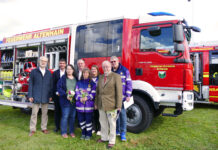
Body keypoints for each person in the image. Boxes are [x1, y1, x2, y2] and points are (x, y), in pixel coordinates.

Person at [95, 60, 122, 149]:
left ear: (110, 67)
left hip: (111, 104)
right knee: (102, 122)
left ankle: (112, 141)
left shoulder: (116, 76)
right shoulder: (101, 77)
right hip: (101, 104)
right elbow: (97, 92)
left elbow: (119, 92)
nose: (106, 68)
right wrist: (96, 103)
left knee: (112, 123)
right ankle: (104, 137)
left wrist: (119, 105)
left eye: (107, 66)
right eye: (104, 67)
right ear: (102, 68)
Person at [28, 56, 53, 136]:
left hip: (46, 96)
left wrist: (50, 95)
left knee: (45, 113)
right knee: (34, 113)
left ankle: (44, 128)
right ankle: (32, 129)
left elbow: (50, 85)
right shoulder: (34, 72)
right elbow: (31, 84)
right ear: (39, 61)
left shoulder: (49, 73)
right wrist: (30, 95)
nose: (43, 62)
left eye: (45, 61)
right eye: (42, 61)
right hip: (36, 95)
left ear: (47, 63)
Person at [110, 56, 132, 142]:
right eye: (111, 62)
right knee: (116, 115)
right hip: (113, 98)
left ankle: (123, 133)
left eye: (114, 61)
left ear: (118, 61)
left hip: (122, 98)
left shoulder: (125, 70)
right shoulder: (110, 71)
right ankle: (117, 130)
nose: (113, 63)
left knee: (122, 115)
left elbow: (129, 83)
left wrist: (128, 95)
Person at [75, 68, 96, 140]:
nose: (85, 74)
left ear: (89, 74)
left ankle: (89, 134)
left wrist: (87, 98)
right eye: (84, 73)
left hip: (88, 106)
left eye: (87, 73)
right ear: (82, 74)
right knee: (81, 120)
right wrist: (80, 98)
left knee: (88, 121)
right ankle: (83, 133)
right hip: (80, 105)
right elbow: (76, 92)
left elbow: (93, 93)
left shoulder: (92, 83)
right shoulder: (78, 83)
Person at [57, 64, 77, 138]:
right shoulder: (63, 78)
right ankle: (64, 132)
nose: (69, 70)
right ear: (66, 70)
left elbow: (78, 89)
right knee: (65, 116)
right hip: (65, 100)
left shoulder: (76, 79)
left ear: (73, 70)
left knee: (72, 116)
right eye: (67, 69)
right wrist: (66, 95)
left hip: (74, 101)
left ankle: (71, 131)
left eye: (70, 69)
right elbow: (59, 88)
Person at [52, 59, 66, 132]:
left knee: (65, 112)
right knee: (57, 112)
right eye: (60, 63)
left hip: (66, 96)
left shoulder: (68, 72)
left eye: (63, 63)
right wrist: (55, 93)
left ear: (65, 64)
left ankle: (64, 127)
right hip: (57, 96)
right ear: (59, 64)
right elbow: (53, 84)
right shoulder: (55, 73)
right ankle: (57, 127)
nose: (62, 65)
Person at [91, 65, 101, 135]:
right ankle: (94, 128)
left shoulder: (100, 79)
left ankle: (99, 129)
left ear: (97, 71)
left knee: (100, 115)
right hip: (91, 100)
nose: (93, 71)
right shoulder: (89, 79)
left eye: (95, 70)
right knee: (93, 114)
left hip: (99, 100)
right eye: (92, 70)